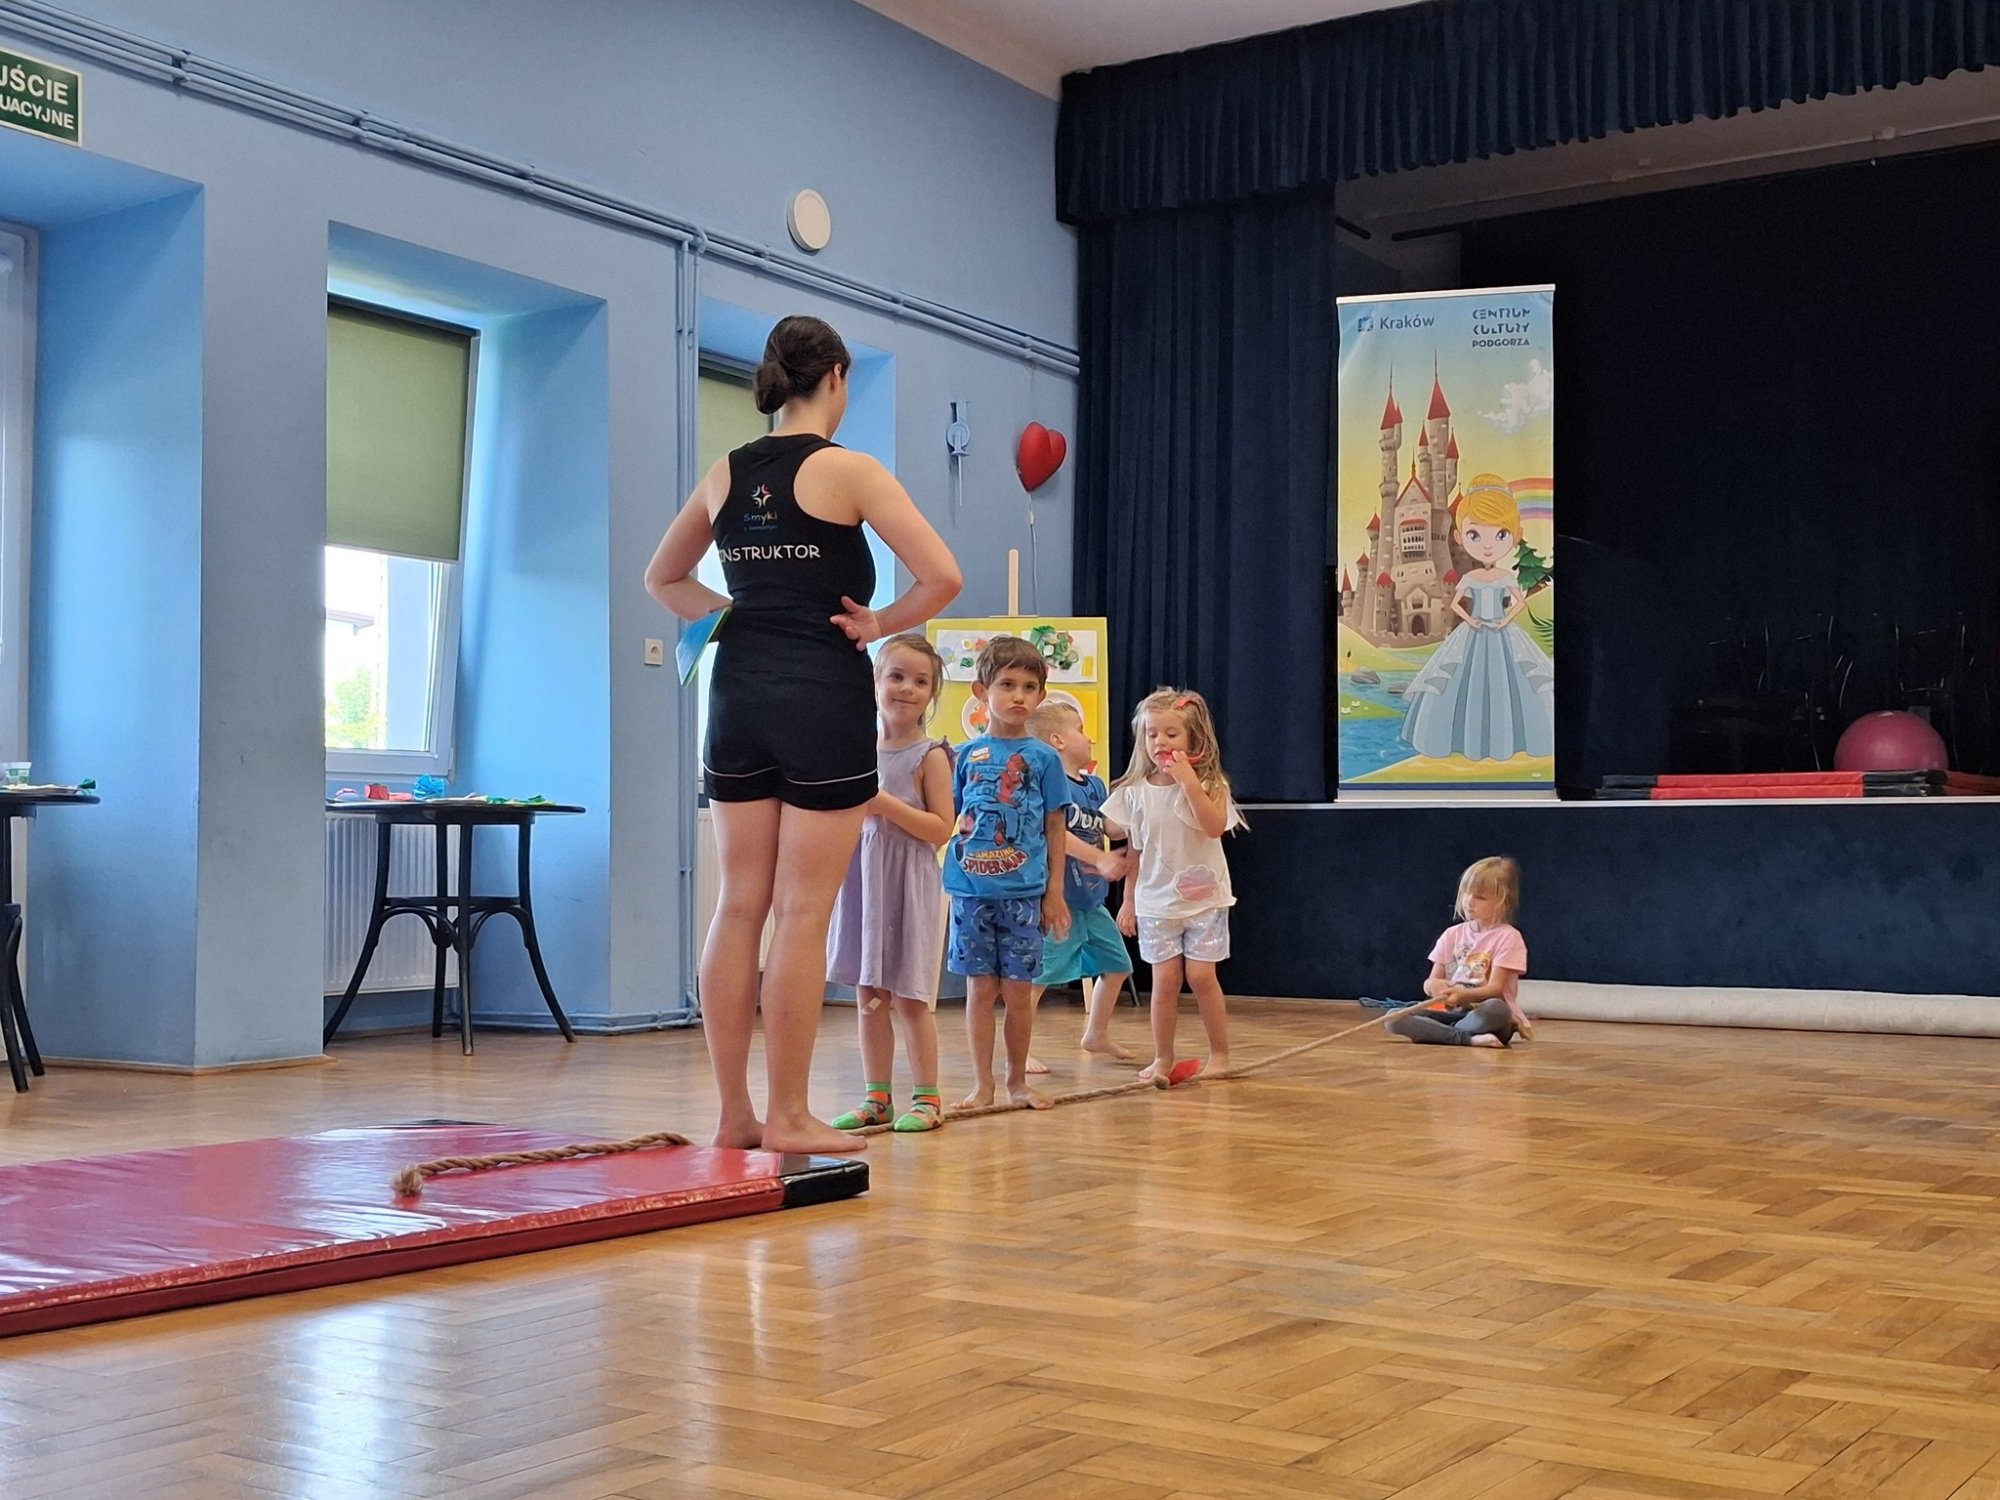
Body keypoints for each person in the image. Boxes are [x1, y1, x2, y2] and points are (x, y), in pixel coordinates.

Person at [644, 315, 961, 1155]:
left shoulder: (727, 470)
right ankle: (787, 1114)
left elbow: (662, 578)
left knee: (737, 902)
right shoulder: (849, 469)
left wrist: (735, 616)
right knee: (802, 910)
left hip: (737, 696)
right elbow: (943, 575)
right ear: (837, 377)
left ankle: (734, 1116)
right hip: (820, 697)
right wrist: (879, 623)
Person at [826, 633, 954, 1133]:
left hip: (909, 885)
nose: (906, 689)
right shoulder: (856, 750)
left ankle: (927, 1098)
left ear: (931, 693)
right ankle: (876, 1097)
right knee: (869, 995)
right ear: (875, 683)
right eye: (896, 677)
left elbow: (940, 829)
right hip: (863, 882)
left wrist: (884, 805)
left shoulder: (930, 755)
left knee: (910, 997)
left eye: (920, 681)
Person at [946, 637, 1070, 1111]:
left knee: (1019, 992)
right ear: (982, 691)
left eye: (1029, 687)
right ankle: (982, 1085)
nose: (1018, 696)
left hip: (1024, 892)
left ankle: (1017, 1080)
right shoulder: (963, 755)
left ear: (1041, 695)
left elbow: (1055, 826)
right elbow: (946, 814)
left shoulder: (1044, 759)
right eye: (1007, 685)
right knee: (979, 990)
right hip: (970, 890)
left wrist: (1054, 891)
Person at [1107, 689, 1243, 1083]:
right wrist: (1128, 902)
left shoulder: (1211, 784)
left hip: (1205, 901)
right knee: (1164, 982)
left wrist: (1189, 784)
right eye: (1152, 734)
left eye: (1171, 734)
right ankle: (1162, 1058)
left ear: (1192, 739)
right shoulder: (1134, 792)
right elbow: (1132, 849)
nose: (1160, 742)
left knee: (1201, 977)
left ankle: (1220, 1054)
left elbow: (1214, 827)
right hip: (1156, 904)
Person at [1399, 477, 1555, 762]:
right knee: (1461, 681)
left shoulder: (1505, 577)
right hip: (1475, 630)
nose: (1487, 546)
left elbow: (1519, 603)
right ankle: (1462, 739)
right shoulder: (1470, 577)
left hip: (1501, 631)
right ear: (1459, 537)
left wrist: (1505, 620)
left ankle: (1507, 740)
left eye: (1500, 535)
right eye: (1475, 535)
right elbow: (1455, 604)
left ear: (1515, 535)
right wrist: (1470, 620)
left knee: (1508, 682)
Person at [1026, 701, 1135, 1061]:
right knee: (1039, 977)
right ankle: (1018, 1051)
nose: (1089, 738)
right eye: (1081, 730)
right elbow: (1055, 834)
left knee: (1117, 965)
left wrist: (1143, 816)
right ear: (1057, 741)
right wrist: (1099, 858)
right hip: (1060, 901)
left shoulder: (1094, 785)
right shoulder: (1047, 785)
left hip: (1091, 901)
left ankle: (1096, 1035)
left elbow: (1110, 826)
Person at [1388, 856, 1532, 1048]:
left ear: (1502, 902)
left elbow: (1495, 989)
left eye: (1480, 897)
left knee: (1497, 1009)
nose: (1469, 902)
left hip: (1485, 1015)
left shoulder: (1509, 937)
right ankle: (1466, 1038)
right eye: (1466, 893)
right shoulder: (1451, 934)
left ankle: (1438, 1034)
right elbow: (1431, 982)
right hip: (1450, 1012)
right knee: (1394, 1017)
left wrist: (1462, 995)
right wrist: (1434, 986)